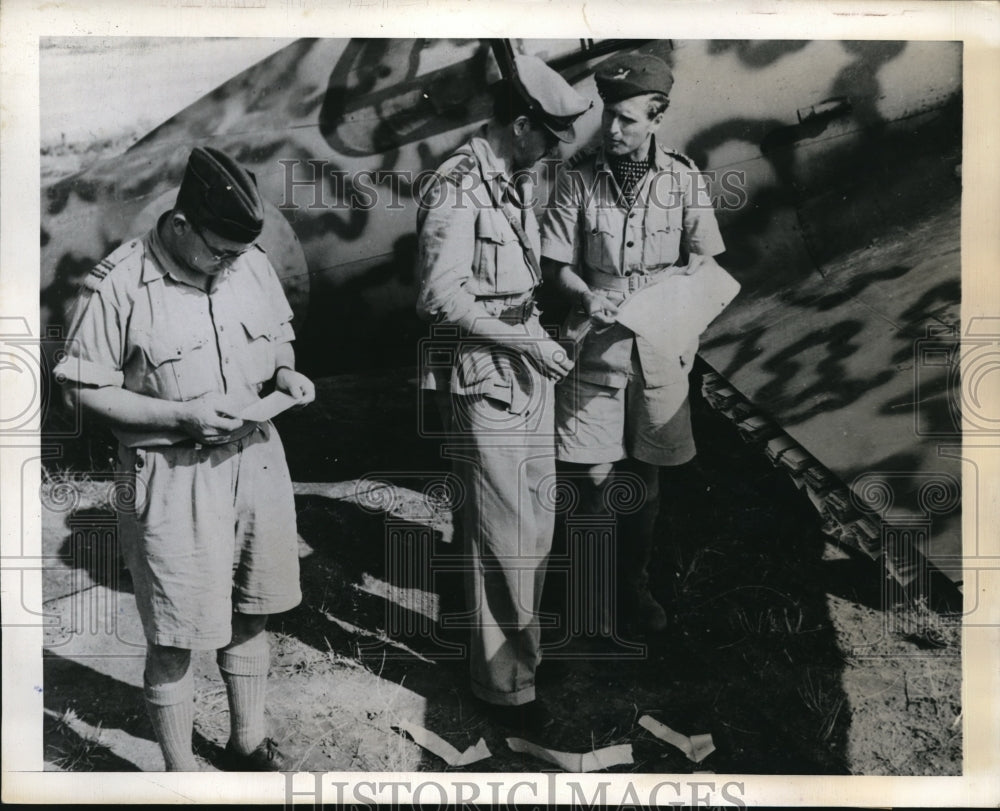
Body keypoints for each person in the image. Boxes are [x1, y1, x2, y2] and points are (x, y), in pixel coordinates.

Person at [55, 146, 315, 771]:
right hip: (171, 477)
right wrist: (180, 416)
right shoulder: (119, 283)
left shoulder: (245, 260)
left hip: (255, 459)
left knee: (253, 611)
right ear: (179, 226)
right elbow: (81, 390)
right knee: (175, 638)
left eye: (238, 253)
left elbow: (279, 337)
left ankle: (247, 745)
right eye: (219, 252)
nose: (231, 264)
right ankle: (182, 774)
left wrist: (285, 373)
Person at [415, 54, 590, 733]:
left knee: (534, 521)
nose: (553, 150)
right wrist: (525, 343)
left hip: (524, 359)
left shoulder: (509, 178)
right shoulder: (457, 186)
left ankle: (521, 654)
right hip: (489, 371)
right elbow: (439, 297)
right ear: (521, 126)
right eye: (548, 136)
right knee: (504, 533)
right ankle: (506, 688)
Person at [540, 53, 726, 636]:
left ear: (656, 117)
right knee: (591, 480)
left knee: (645, 482)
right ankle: (589, 597)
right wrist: (585, 295)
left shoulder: (683, 178)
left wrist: (682, 304)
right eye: (608, 116)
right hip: (594, 347)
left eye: (626, 119)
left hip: (659, 347)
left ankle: (632, 587)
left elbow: (705, 258)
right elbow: (556, 265)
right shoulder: (576, 177)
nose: (612, 129)